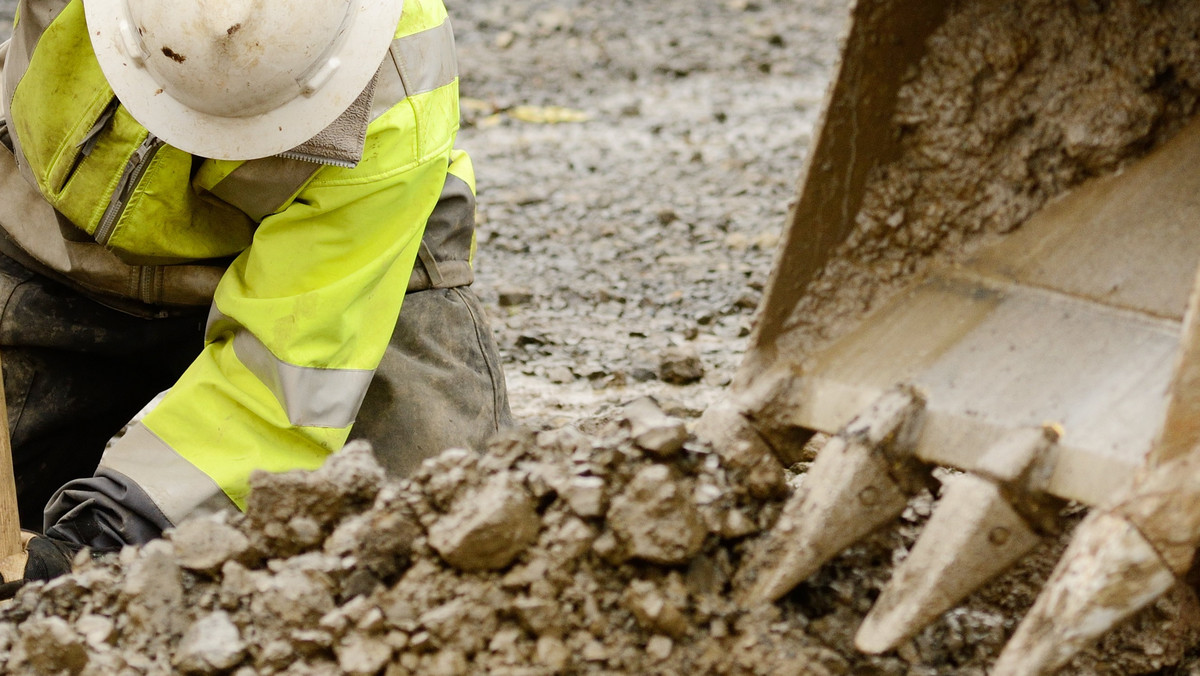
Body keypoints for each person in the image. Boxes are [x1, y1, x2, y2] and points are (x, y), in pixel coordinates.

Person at [0, 0, 511, 584]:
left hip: (343, 282)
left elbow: (286, 379)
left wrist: (100, 541)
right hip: (60, 243)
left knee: (440, 536)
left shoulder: (396, 91)